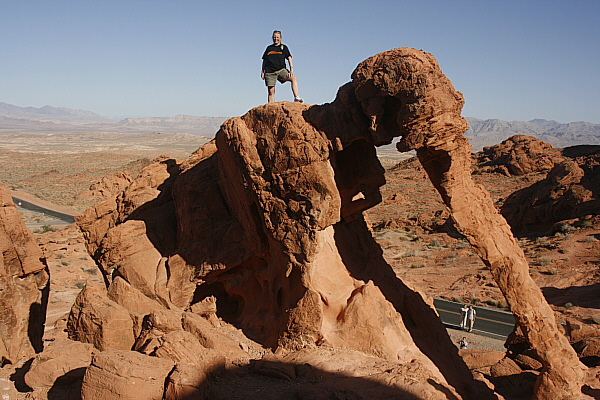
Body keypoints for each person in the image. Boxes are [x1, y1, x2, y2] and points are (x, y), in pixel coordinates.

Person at [261, 30, 303, 103]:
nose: (276, 39)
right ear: (272, 38)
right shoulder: (269, 48)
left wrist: (291, 70)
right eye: (274, 37)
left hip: (281, 70)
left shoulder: (284, 47)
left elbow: (289, 58)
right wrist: (262, 71)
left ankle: (297, 97)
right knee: (271, 92)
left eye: (277, 37)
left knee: (293, 78)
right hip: (270, 72)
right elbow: (265, 60)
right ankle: (271, 107)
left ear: (280, 38)